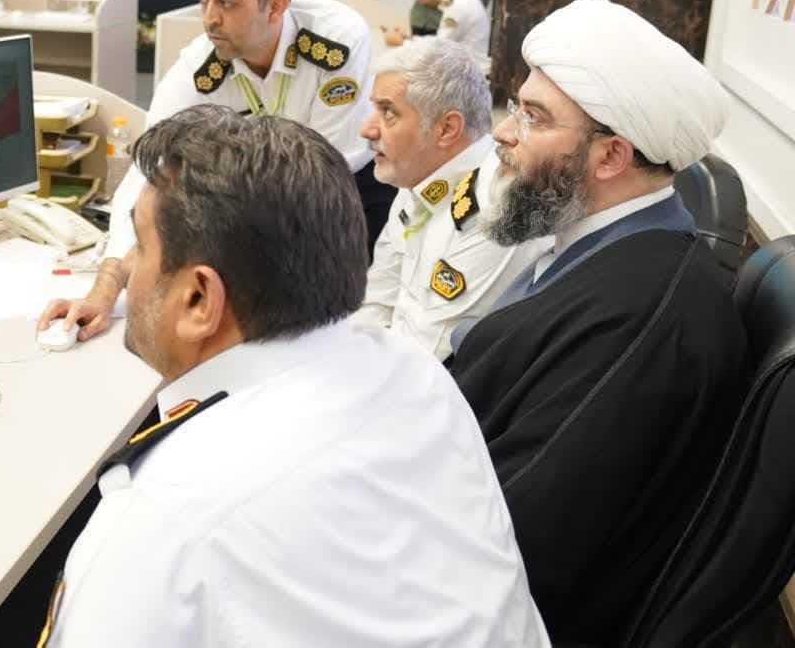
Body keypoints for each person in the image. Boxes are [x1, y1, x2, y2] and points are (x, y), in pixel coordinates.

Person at [39, 105, 547, 648]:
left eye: (140, 246)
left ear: (198, 299)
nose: (127, 269)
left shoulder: (165, 516)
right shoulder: (414, 374)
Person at [445, 0, 750, 644]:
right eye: (516, 107)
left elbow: (511, 538)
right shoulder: (592, 246)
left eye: (534, 117)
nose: (503, 133)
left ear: (610, 157)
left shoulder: (642, 322)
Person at [40, 0, 394, 342]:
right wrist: (105, 288)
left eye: (226, 3)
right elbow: (147, 170)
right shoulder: (201, 66)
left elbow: (324, 167)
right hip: (262, 205)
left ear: (275, 7)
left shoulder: (334, 41)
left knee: (344, 332)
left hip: (343, 196)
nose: (209, 19)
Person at [359, 38, 549, 359]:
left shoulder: (496, 206)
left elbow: (428, 357)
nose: (367, 129)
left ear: (447, 129)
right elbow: (377, 299)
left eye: (387, 112)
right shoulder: (417, 174)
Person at [384, 0, 491, 74]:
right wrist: (410, 38)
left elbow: (437, 51)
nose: (421, 1)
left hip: (474, 75)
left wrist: (401, 42)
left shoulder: (457, 6)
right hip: (471, 71)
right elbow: (440, 42)